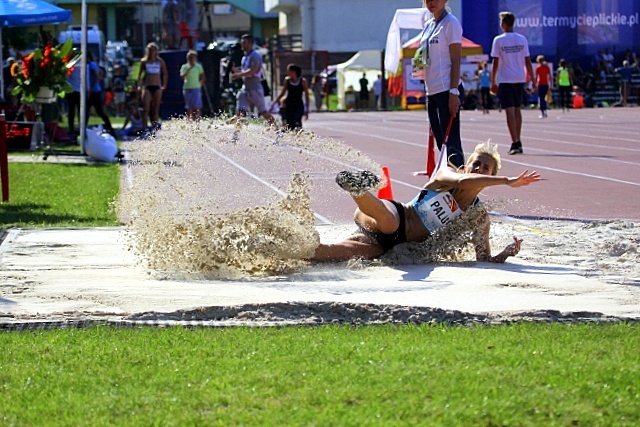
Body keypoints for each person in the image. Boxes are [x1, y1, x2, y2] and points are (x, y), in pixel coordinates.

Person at [312, 141, 541, 262]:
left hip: (390, 244)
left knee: (338, 254)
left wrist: (506, 254)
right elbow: (463, 180)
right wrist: (507, 181)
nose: (479, 168)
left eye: (485, 168)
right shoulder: (446, 176)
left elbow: (484, 258)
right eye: (475, 164)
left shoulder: (478, 216)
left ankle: (295, 250)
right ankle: (356, 188)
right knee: (390, 222)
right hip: (389, 215)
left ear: (489, 176)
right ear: (466, 166)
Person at [419, 0, 465, 169]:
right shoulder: (429, 25)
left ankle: (462, 188)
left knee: (451, 144)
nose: (432, 2)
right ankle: (451, 183)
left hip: (447, 89)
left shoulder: (450, 23)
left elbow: (455, 60)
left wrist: (454, 92)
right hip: (431, 91)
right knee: (441, 144)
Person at [490, 11, 535, 155]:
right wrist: (533, 80)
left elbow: (495, 63)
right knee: (517, 109)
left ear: (503, 24)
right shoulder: (522, 39)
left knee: (509, 110)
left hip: (506, 79)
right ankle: (518, 140)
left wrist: (493, 81)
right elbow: (527, 61)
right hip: (519, 78)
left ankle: (515, 142)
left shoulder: (498, 40)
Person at [231, 34, 275, 125]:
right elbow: (244, 71)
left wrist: (239, 75)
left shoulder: (255, 55)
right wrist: (234, 70)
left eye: (244, 42)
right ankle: (236, 136)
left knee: (263, 112)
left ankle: (277, 130)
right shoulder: (244, 57)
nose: (242, 45)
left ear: (250, 43)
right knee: (239, 113)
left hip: (255, 89)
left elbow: (253, 71)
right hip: (245, 89)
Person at [137, 43, 168, 130]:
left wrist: (164, 85)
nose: (152, 52)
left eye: (154, 50)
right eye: (151, 50)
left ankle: (155, 128)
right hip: (147, 86)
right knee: (145, 109)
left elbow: (165, 74)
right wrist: (139, 86)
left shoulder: (160, 61)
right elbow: (140, 75)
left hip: (157, 86)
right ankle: (145, 128)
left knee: (155, 109)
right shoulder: (144, 62)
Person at [270, 63, 310, 131]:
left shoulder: (303, 81)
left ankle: (298, 137)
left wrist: (307, 109)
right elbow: (282, 93)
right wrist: (273, 104)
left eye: (288, 71)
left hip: (298, 105)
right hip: (289, 104)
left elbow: (307, 96)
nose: (287, 72)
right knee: (289, 124)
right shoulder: (287, 80)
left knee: (297, 123)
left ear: (293, 72)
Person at [86, 52, 115, 136]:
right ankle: (83, 128)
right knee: (86, 111)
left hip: (94, 92)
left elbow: (97, 76)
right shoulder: (92, 64)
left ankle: (110, 129)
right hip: (93, 91)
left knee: (100, 112)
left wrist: (91, 88)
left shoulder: (91, 64)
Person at [180, 50, 205, 119]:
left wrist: (199, 86)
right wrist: (189, 68)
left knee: (197, 107)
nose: (191, 59)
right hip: (187, 88)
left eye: (193, 58)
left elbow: (203, 77)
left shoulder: (198, 66)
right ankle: (189, 122)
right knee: (189, 107)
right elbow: (182, 76)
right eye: (190, 58)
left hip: (196, 88)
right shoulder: (184, 67)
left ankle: (197, 121)